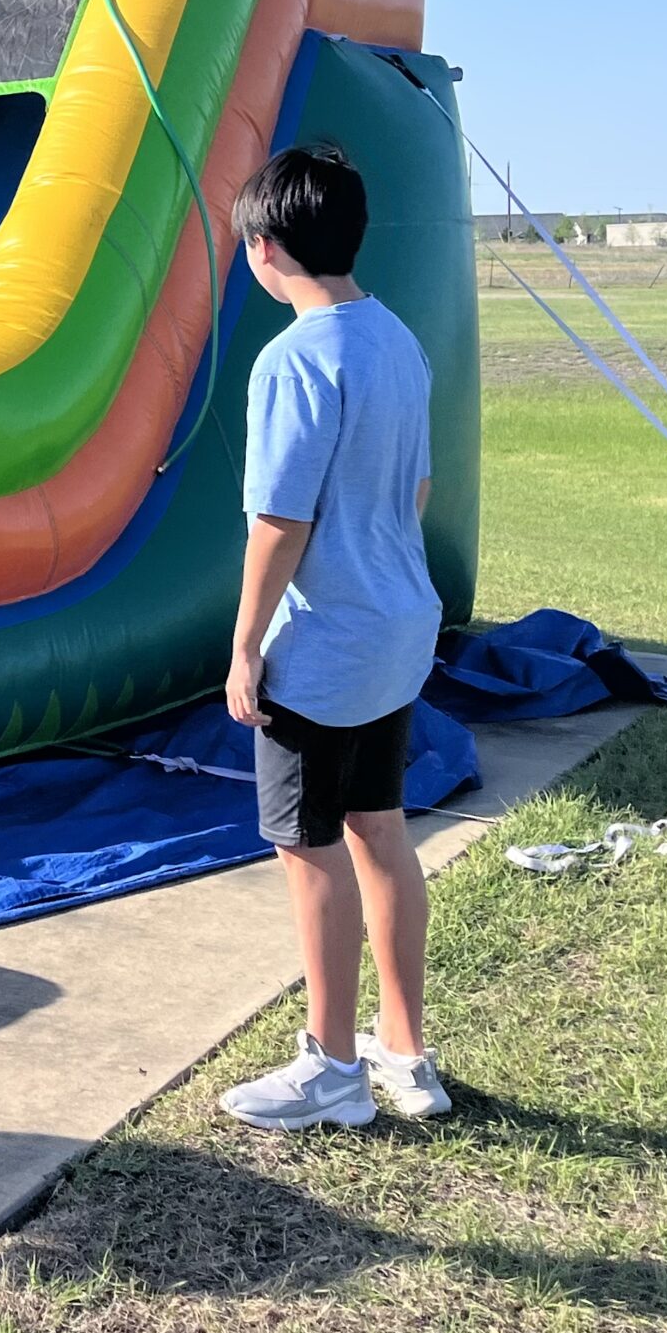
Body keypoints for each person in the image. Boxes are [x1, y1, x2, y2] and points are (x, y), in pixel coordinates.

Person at [219, 144, 451, 1130]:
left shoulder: (296, 359)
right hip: (398, 630)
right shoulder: (396, 339)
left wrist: (242, 645)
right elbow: (418, 488)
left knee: (309, 851)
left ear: (264, 248)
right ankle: (406, 1055)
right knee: (380, 833)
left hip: (321, 648)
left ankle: (330, 1069)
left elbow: (280, 519)